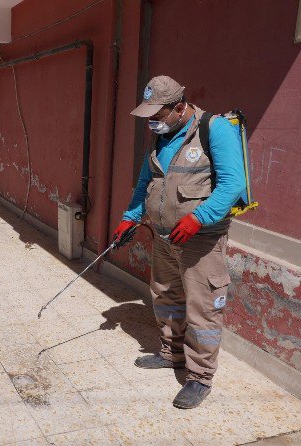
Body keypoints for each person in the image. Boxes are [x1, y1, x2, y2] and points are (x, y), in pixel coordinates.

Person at [114, 75, 246, 409]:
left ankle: (200, 377)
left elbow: (232, 184)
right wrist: (130, 217)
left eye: (157, 115)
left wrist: (198, 219)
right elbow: (146, 180)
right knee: (166, 297)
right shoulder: (160, 138)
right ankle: (171, 353)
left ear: (179, 106)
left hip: (201, 241)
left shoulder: (214, 130)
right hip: (164, 238)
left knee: (203, 309)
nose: (152, 122)